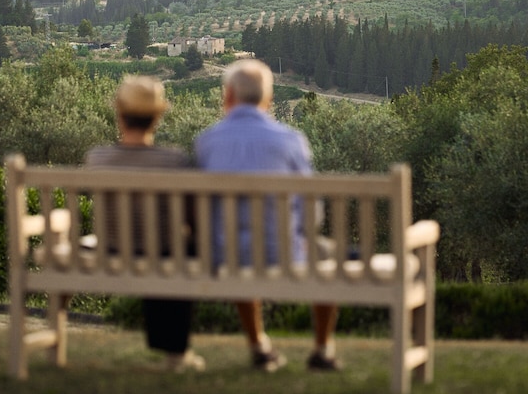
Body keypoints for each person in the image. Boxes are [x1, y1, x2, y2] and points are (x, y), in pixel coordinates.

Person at [194, 59, 339, 372]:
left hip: (224, 255)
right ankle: (323, 349)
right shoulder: (291, 141)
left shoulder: (206, 141)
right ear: (267, 100)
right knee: (328, 252)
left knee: (237, 241)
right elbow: (312, 212)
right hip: (281, 252)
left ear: (228, 96)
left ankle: (258, 344)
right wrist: (298, 235)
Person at [85, 75, 204, 372]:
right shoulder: (173, 161)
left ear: (120, 114)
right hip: (163, 254)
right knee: (183, 246)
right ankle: (176, 351)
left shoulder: (96, 159)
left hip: (110, 250)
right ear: (157, 117)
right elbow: (193, 217)